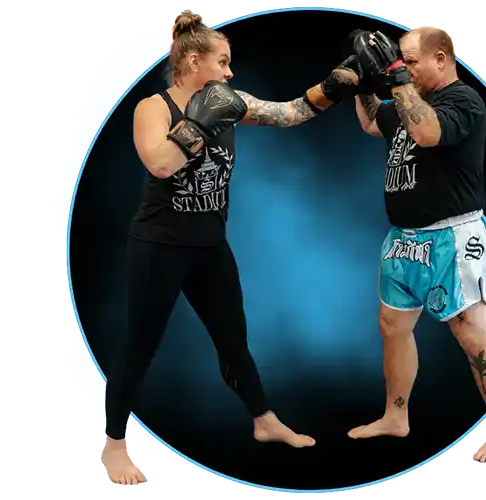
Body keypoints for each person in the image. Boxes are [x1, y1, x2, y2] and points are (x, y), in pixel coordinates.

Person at [101, 12, 361, 486]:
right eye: (223, 62)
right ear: (193, 60)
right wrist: (200, 121)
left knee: (233, 342)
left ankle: (263, 420)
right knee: (140, 346)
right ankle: (115, 446)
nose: (230, 73)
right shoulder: (152, 108)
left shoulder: (231, 100)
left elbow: (290, 113)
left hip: (209, 246)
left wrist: (336, 84)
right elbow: (160, 164)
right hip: (158, 246)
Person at [345, 26, 486, 463]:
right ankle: (395, 416)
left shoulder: (463, 101)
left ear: (441, 58)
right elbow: (369, 122)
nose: (402, 68)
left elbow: (426, 133)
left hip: (453, 237)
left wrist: (397, 78)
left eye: (411, 61)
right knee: (392, 327)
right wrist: (365, 79)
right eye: (399, 61)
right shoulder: (404, 100)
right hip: (403, 239)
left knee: (470, 331)